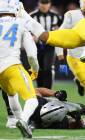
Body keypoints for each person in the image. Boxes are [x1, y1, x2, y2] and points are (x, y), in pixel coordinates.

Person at [0, 0, 39, 138]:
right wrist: (35, 69)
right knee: (32, 100)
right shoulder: (21, 23)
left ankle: (19, 119)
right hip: (11, 66)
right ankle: (23, 120)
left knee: (11, 94)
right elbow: (32, 54)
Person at [5, 87, 85, 129]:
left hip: (48, 106)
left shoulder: (36, 107)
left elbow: (36, 90)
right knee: (81, 122)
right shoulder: (60, 124)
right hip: (58, 118)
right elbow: (74, 124)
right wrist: (78, 119)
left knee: (75, 106)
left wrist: (55, 93)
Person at [30, 0, 62, 89]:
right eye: (42, 3)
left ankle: (48, 91)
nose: (44, 5)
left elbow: (62, 30)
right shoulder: (32, 16)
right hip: (36, 47)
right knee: (38, 68)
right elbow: (26, 31)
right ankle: (41, 91)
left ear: (50, 4)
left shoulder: (56, 16)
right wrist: (32, 37)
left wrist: (58, 32)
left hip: (50, 46)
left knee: (48, 68)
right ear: (38, 3)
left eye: (46, 3)